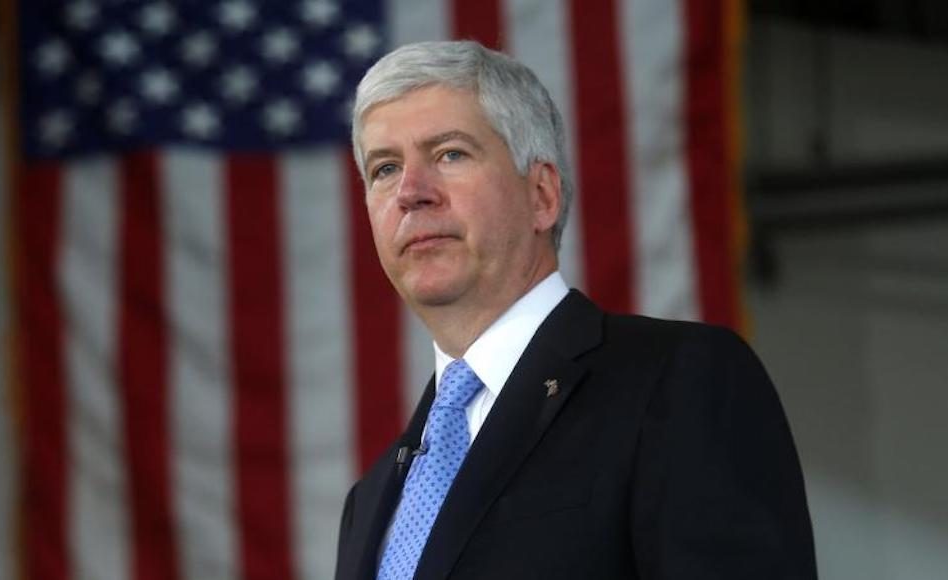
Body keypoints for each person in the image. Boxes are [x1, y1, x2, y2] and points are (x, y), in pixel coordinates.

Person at [334, 40, 816, 580]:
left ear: (542, 195)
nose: (411, 192)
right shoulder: (371, 500)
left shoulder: (677, 381)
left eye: (450, 154)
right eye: (384, 169)